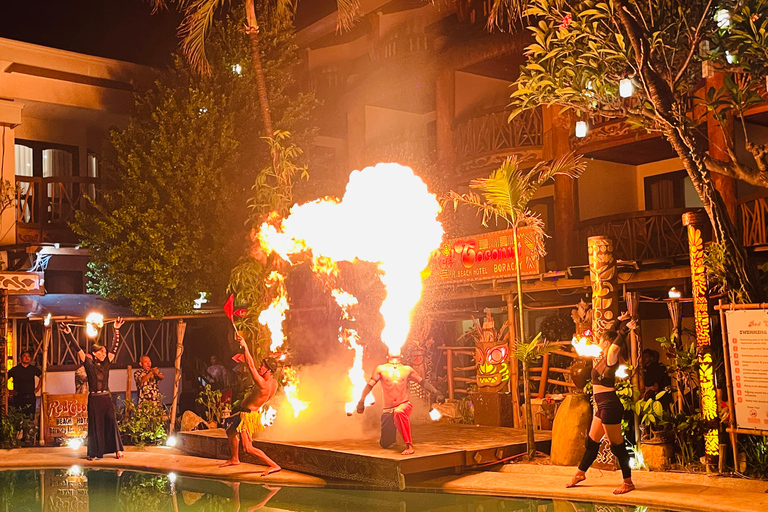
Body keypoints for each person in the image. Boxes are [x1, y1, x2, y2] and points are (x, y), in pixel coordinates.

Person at [567, 313, 636, 494]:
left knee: (617, 446)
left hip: (610, 406)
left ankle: (628, 482)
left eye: (601, 341)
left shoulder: (611, 358)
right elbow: (610, 333)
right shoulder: (603, 359)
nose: (598, 343)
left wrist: (626, 330)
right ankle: (580, 473)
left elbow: (614, 346)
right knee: (592, 442)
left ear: (606, 344)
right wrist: (620, 320)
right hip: (602, 406)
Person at [356, 351, 444, 455]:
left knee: (399, 412)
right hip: (388, 410)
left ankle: (409, 445)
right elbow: (369, 386)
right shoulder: (380, 369)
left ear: (401, 355)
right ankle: (392, 438)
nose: (394, 349)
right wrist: (361, 401)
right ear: (387, 355)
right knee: (386, 444)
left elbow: (423, 382)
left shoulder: (407, 370)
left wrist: (437, 393)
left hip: (404, 405)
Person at [60, 318, 125, 460]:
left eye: (104, 352)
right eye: (101, 352)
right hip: (94, 399)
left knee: (111, 421)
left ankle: (117, 450)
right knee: (96, 425)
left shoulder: (107, 362)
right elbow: (77, 349)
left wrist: (116, 330)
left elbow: (115, 347)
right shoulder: (88, 363)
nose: (104, 354)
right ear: (95, 353)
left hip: (105, 398)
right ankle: (95, 453)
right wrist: (69, 333)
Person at [220, 335, 281, 476]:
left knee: (248, 447)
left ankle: (274, 465)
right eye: (261, 365)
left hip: (247, 416)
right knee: (230, 431)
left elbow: (250, 365)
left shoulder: (263, 384)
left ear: (269, 371)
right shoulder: (274, 383)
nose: (260, 367)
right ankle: (234, 458)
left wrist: (245, 345)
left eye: (263, 367)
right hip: (247, 413)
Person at [8, 350, 41, 418]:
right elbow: (4, 378)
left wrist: (38, 388)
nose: (27, 358)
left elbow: (42, 377)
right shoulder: (15, 369)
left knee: (30, 418)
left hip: (30, 397)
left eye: (28, 356)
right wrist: (8, 390)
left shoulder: (33, 369)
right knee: (18, 418)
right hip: (18, 397)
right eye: (24, 356)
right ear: (20, 358)